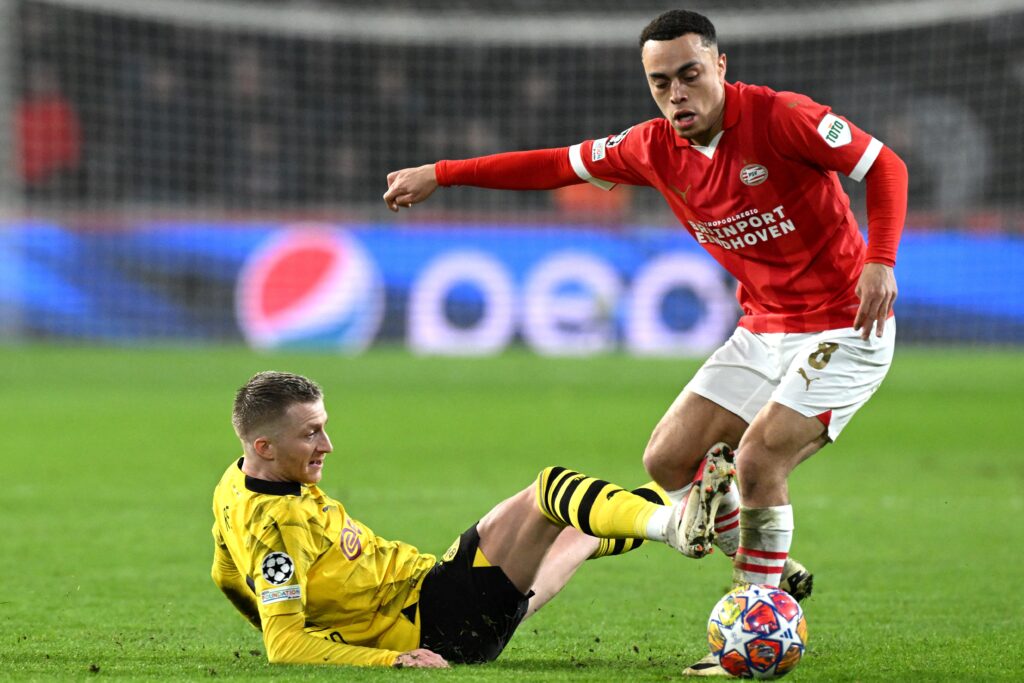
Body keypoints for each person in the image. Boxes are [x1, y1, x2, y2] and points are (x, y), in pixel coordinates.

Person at [383, 9, 907, 676]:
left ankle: (757, 628)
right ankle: (763, 555)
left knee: (757, 462)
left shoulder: (783, 118)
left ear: (720, 66)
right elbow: (553, 164)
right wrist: (444, 172)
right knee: (667, 460)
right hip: (765, 326)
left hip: (846, 324)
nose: (676, 94)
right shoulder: (651, 147)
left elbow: (884, 165)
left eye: (690, 75)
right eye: (661, 83)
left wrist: (881, 260)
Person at [212, 370, 712, 668]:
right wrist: (391, 658)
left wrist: (281, 611)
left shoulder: (233, 485)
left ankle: (703, 512)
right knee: (548, 491)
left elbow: (226, 572)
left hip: (451, 622)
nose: (327, 445)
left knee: (579, 530)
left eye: (324, 428)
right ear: (265, 447)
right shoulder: (278, 527)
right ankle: (673, 526)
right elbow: (283, 646)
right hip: (437, 616)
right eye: (311, 434)